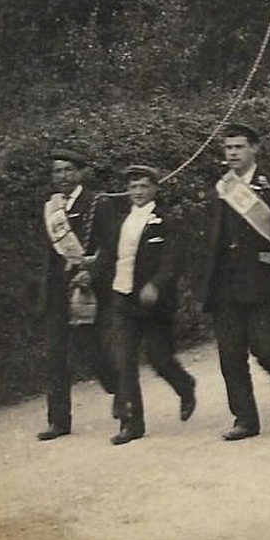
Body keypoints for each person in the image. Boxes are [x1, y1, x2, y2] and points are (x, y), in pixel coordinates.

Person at [201, 122, 270, 442]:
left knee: (265, 348)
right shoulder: (220, 188)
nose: (232, 153)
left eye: (239, 147)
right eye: (228, 148)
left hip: (262, 283)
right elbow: (211, 240)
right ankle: (245, 419)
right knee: (230, 356)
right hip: (225, 286)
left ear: (254, 149)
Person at [102, 165, 196, 446]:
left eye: (143, 186)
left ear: (155, 188)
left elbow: (172, 261)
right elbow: (110, 256)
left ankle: (185, 385)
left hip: (153, 303)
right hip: (123, 297)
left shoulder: (165, 222)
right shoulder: (122, 222)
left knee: (159, 358)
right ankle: (132, 423)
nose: (138, 192)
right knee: (124, 360)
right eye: (133, 187)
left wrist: (156, 284)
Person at [36, 148, 119, 441]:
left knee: (94, 352)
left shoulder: (98, 203)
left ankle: (119, 390)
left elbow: (110, 247)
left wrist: (92, 274)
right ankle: (58, 421)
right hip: (59, 294)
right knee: (55, 357)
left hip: (88, 293)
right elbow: (50, 256)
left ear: (82, 172)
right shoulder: (51, 208)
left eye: (68, 170)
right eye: (57, 171)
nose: (62, 176)